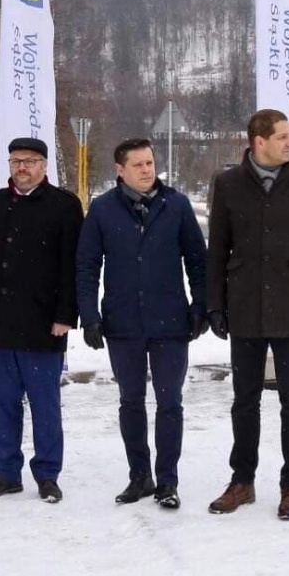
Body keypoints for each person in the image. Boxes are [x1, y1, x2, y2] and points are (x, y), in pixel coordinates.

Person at [205, 109, 289, 521]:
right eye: (282, 137)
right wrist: (215, 304)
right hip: (244, 306)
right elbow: (217, 250)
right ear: (258, 141)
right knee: (244, 400)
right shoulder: (228, 184)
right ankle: (242, 481)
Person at [76, 138, 207, 510]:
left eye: (150, 163)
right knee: (130, 401)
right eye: (138, 165)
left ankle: (167, 481)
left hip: (170, 322)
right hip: (123, 324)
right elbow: (86, 266)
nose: (147, 170)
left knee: (170, 402)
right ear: (120, 170)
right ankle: (140, 476)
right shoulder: (102, 210)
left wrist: (201, 306)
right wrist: (89, 316)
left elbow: (198, 261)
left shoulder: (176, 205)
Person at [0, 137, 83, 503]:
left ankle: (47, 474)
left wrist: (65, 315)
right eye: (16, 161)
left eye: (29, 161)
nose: (22, 168)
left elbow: (72, 267)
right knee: (3, 406)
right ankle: (6, 472)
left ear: (44, 165)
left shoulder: (64, 206)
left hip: (44, 325)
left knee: (45, 407)